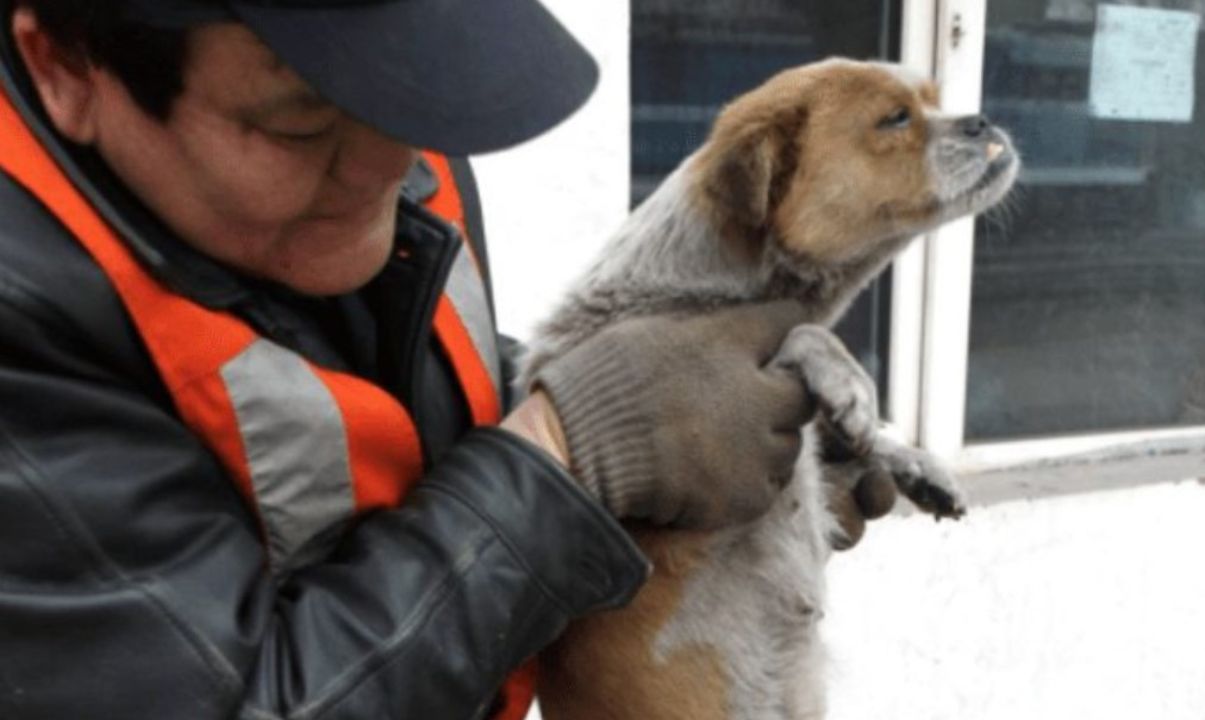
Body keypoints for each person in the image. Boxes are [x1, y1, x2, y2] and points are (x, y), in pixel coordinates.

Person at [0, 1, 894, 718]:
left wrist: (687, 444)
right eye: (302, 126)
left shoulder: (383, 142)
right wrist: (569, 454)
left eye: (412, 95)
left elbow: (378, 407)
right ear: (67, 65)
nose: (392, 167)